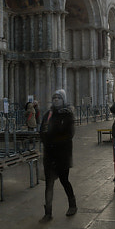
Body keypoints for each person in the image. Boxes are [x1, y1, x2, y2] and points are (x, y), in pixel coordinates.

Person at [37, 89, 77, 221]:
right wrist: (46, 139)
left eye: (58, 98)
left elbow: (69, 134)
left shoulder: (67, 115)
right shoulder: (48, 114)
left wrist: (54, 137)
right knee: (49, 184)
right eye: (54, 97)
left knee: (64, 180)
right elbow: (42, 129)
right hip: (49, 153)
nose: (56, 100)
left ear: (63, 99)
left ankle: (72, 205)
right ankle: (48, 212)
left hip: (62, 153)